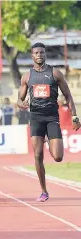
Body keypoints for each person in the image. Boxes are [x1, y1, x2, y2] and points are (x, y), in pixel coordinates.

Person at [17, 42, 80, 202]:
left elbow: (68, 95)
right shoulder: (27, 76)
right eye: (36, 52)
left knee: (58, 157)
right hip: (36, 117)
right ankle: (44, 191)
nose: (39, 55)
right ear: (32, 56)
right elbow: (19, 99)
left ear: (45, 54)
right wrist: (21, 103)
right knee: (38, 155)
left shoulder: (55, 73)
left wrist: (74, 116)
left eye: (42, 52)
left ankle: (47, 137)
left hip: (52, 117)